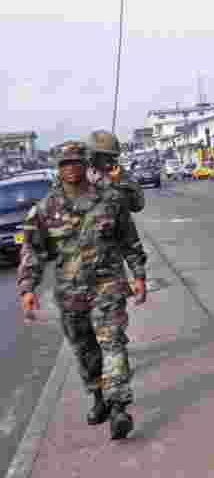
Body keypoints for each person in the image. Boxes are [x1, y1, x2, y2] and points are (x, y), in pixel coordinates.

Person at [17, 141, 147, 440]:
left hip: (108, 287)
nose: (71, 167)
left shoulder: (110, 199)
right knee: (86, 351)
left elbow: (129, 240)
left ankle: (118, 408)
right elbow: (32, 252)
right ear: (58, 169)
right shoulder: (44, 209)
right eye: (64, 163)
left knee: (113, 343)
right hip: (70, 294)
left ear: (85, 164)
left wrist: (138, 273)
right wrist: (27, 288)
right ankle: (98, 397)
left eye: (76, 161)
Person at [86, 130, 145, 213]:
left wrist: (118, 184)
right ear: (93, 157)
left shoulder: (119, 173)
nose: (110, 161)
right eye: (105, 156)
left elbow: (138, 205)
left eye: (113, 156)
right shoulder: (83, 175)